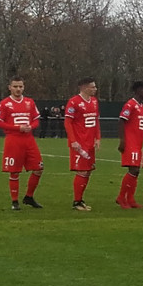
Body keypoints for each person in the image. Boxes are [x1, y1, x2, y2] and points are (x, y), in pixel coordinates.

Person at [0, 76, 43, 210]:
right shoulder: (4, 103)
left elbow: (36, 120)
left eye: (20, 86)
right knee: (14, 172)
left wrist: (31, 127)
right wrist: (18, 128)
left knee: (39, 168)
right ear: (10, 87)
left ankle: (29, 197)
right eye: (15, 86)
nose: (18, 89)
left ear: (24, 87)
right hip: (13, 140)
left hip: (29, 140)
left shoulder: (29, 102)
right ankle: (15, 202)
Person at [65, 77, 101, 211]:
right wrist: (73, 141)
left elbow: (96, 120)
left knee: (88, 171)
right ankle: (76, 202)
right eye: (93, 87)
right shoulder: (74, 102)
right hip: (79, 143)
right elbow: (68, 122)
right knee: (82, 171)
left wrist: (98, 138)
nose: (95, 89)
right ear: (84, 88)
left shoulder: (94, 101)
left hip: (90, 142)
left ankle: (80, 199)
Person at [116, 80, 143, 209]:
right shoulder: (130, 104)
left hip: (137, 143)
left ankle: (130, 199)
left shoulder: (142, 107)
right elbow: (121, 121)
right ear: (138, 91)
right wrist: (123, 140)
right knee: (133, 170)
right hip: (130, 142)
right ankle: (121, 197)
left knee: (136, 171)